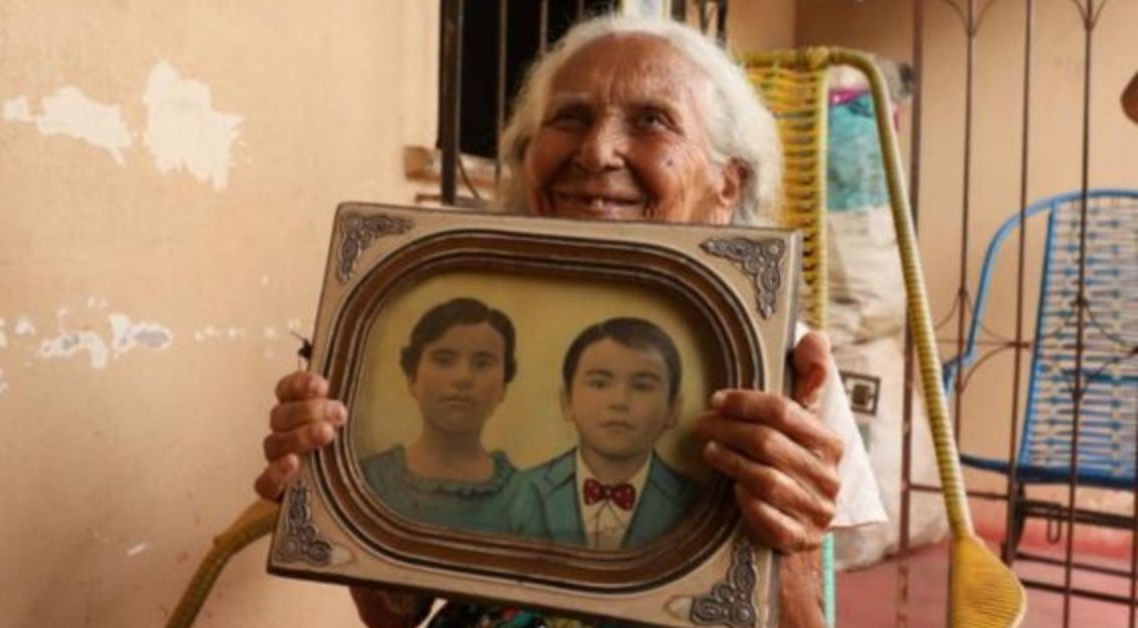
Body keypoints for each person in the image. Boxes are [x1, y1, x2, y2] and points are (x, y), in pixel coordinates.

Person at [256, 14, 884, 628]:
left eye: (652, 121)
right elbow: (398, 616)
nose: (597, 151)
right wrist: (335, 496)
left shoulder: (782, 363)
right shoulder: (462, 318)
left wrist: (790, 547)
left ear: (727, 182)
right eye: (570, 118)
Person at [510, 317, 699, 550]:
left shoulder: (697, 504)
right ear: (567, 401)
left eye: (642, 386)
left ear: (673, 409)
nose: (619, 402)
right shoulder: (519, 492)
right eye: (599, 384)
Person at [359, 297, 524, 533]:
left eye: (482, 363)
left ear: (503, 387)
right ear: (412, 378)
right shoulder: (366, 479)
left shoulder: (527, 497)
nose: (463, 378)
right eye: (444, 360)